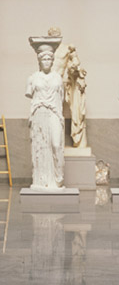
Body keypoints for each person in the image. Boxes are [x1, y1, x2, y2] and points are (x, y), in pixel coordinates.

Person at [26, 36, 65, 190]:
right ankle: (41, 180)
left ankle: (58, 177)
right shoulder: (32, 78)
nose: (47, 62)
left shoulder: (58, 78)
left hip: (54, 113)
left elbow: (61, 98)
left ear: (53, 61)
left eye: (49, 59)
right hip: (39, 114)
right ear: (39, 61)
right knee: (40, 147)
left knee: (56, 144)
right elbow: (30, 95)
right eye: (44, 59)